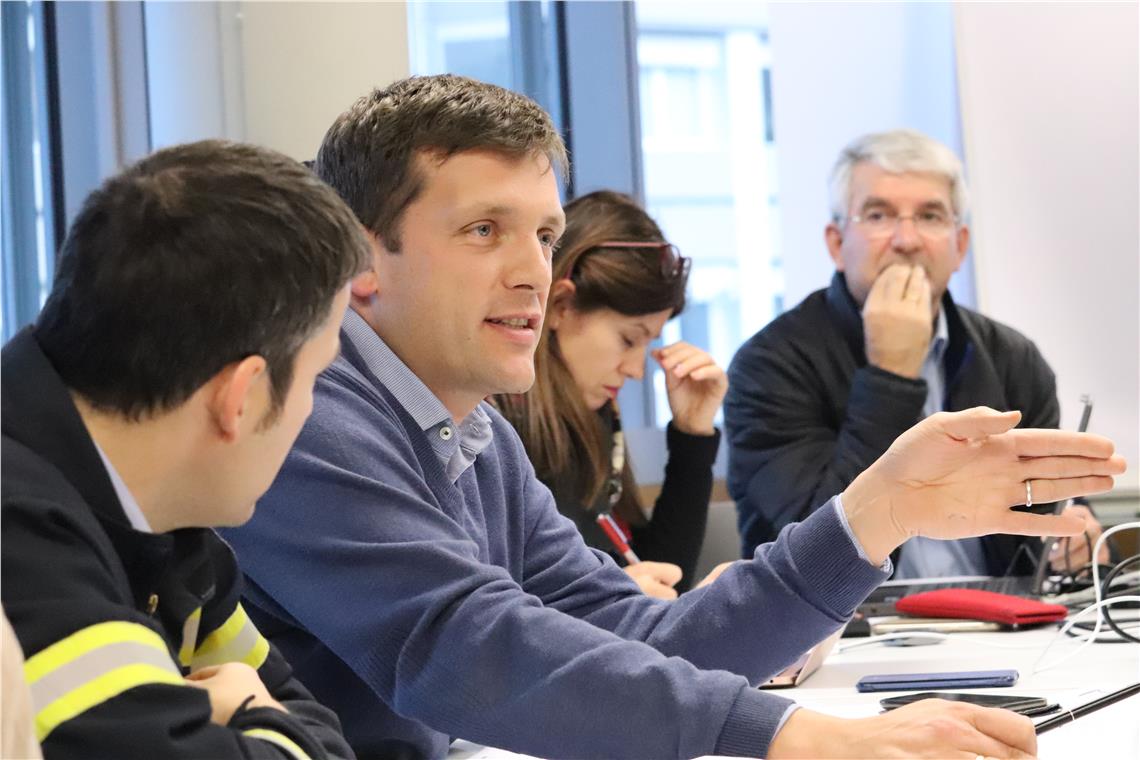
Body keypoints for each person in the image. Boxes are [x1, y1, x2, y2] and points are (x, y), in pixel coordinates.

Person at [222, 75, 1123, 760]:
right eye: (484, 230)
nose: (534, 272)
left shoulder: (477, 435)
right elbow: (460, 648)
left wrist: (874, 514)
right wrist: (795, 734)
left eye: (544, 234)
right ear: (360, 260)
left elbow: (653, 636)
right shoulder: (306, 411)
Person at [0, 140, 368, 759]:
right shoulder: (20, 537)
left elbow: (321, 733)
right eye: (317, 377)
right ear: (240, 397)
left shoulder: (172, 526)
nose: (311, 409)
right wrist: (256, 712)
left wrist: (256, 723)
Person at [726, 128, 1109, 576]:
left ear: (959, 245)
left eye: (929, 216)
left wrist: (1073, 537)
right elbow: (818, 548)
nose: (906, 241)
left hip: (1000, 612)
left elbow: (1045, 513)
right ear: (836, 244)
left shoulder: (1013, 358)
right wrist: (890, 377)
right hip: (844, 618)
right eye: (878, 215)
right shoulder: (769, 365)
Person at [494, 190, 726, 598]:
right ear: (561, 306)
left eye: (649, 343)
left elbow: (662, 574)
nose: (637, 369)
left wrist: (692, 437)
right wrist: (608, 597)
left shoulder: (595, 419)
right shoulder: (493, 429)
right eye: (629, 339)